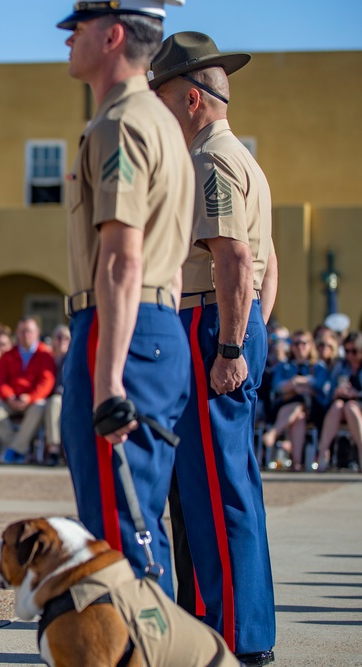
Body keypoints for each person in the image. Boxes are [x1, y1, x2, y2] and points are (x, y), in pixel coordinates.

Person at [56, 0, 193, 605]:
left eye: (77, 29)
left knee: (119, 529)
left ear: (112, 35)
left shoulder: (122, 122)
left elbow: (121, 256)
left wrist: (108, 379)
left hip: (123, 329)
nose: (67, 41)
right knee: (129, 518)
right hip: (149, 324)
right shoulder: (157, 119)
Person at [150, 31, 278, 662]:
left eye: (165, 99)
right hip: (220, 327)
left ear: (193, 101)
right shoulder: (243, 159)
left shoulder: (209, 161)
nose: (160, 113)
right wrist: (251, 334)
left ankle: (236, 636)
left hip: (208, 327)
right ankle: (215, 623)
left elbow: (235, 257)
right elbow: (267, 269)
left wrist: (229, 345)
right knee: (208, 485)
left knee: (217, 487)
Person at [0, 316, 56, 464]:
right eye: (22, 331)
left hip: (32, 401)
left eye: (29, 331)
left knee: (40, 407)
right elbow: (0, 381)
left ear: (37, 332)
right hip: (10, 400)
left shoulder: (45, 354)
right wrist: (9, 397)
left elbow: (46, 382)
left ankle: (14, 450)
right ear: (17, 333)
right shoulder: (8, 355)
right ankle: (19, 447)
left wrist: (29, 398)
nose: (25, 335)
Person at [261, 330, 328, 470]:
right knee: (299, 414)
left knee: (300, 403)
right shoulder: (285, 366)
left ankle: (274, 432)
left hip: (312, 410)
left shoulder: (318, 366)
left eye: (304, 343)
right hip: (290, 406)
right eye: (296, 343)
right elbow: (277, 387)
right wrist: (297, 385)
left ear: (311, 345)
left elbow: (321, 386)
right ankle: (296, 463)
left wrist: (296, 382)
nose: (300, 347)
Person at [315, 330, 362, 471]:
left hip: (358, 404)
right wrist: (336, 392)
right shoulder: (341, 366)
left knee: (351, 407)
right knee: (338, 405)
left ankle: (361, 451)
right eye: (347, 351)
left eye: (354, 351)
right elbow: (328, 391)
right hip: (340, 406)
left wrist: (356, 393)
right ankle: (323, 453)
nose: (350, 355)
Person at [42, 324, 71, 465]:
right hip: (45, 399)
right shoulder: (46, 359)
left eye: (66, 338)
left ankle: (55, 449)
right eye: (59, 337)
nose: (62, 341)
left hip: (67, 398)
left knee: (55, 403)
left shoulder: (73, 359)